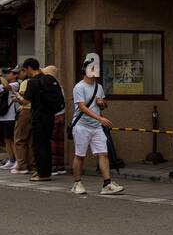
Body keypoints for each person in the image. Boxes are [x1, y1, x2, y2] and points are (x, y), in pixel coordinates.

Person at [71, 59, 124, 195]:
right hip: (82, 126)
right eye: (92, 68)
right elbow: (82, 107)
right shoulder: (79, 87)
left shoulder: (98, 87)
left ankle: (107, 184)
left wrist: (101, 104)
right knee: (80, 155)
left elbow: (103, 106)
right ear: (85, 70)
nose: (95, 71)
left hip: (96, 127)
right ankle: (77, 183)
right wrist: (100, 118)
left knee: (103, 154)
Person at [21, 58, 63, 182]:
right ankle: (44, 171)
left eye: (25, 70)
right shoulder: (50, 79)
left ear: (29, 68)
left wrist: (18, 98)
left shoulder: (33, 82)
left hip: (39, 117)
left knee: (39, 146)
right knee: (46, 145)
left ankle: (42, 174)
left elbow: (26, 101)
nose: (25, 72)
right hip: (50, 116)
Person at [0, 66, 20, 169]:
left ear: (15, 75)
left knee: (12, 139)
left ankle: (17, 160)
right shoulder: (3, 84)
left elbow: (7, 86)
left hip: (12, 117)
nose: (7, 74)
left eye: (9, 73)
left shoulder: (16, 84)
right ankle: (11, 159)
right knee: (6, 140)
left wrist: (0, 74)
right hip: (2, 116)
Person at [43, 65, 68, 175]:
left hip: (53, 116)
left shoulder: (50, 85)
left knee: (52, 141)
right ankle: (60, 165)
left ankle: (53, 166)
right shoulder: (59, 85)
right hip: (61, 114)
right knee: (59, 141)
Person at [10, 63, 32, 174]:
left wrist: (17, 98)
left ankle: (22, 166)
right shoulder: (34, 81)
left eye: (18, 73)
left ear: (25, 71)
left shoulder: (24, 83)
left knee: (19, 139)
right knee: (30, 140)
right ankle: (31, 165)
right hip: (35, 112)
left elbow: (24, 100)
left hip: (25, 111)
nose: (17, 75)